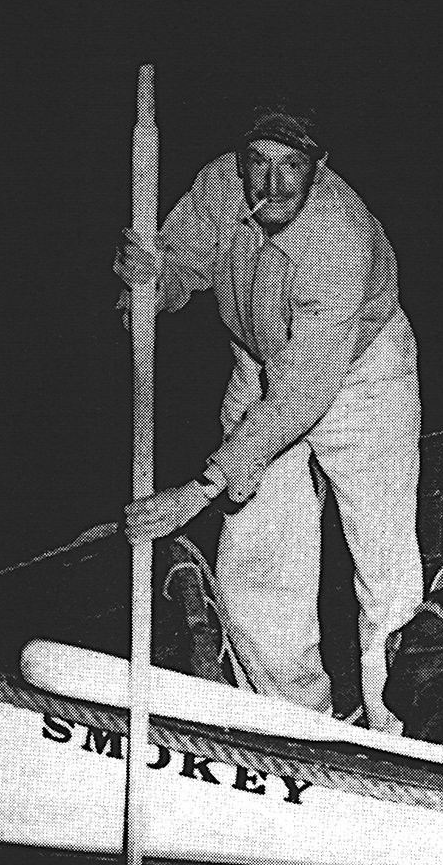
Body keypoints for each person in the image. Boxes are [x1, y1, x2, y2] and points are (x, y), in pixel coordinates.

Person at [117, 106, 423, 733]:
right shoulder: (220, 188)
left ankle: (397, 729)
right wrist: (148, 287)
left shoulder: (341, 240)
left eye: (292, 167)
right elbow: (179, 263)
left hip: (362, 373)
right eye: (259, 163)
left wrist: (201, 489)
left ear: (320, 168)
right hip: (261, 365)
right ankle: (299, 728)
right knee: (254, 567)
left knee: (383, 563)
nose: (273, 184)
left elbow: (305, 388)